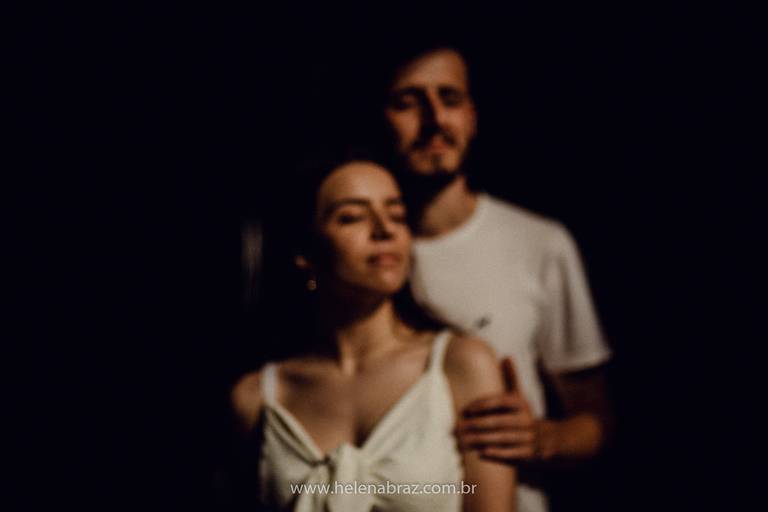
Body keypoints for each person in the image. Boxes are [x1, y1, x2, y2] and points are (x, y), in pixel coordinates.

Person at [381, 46, 614, 512]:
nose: (434, 119)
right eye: (409, 102)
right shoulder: (362, 256)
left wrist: (544, 438)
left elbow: (596, 418)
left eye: (449, 99)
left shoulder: (539, 243)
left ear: (472, 116)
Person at [231, 150, 516, 511]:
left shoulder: (460, 364)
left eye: (397, 215)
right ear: (305, 250)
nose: (385, 230)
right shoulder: (257, 397)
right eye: (352, 217)